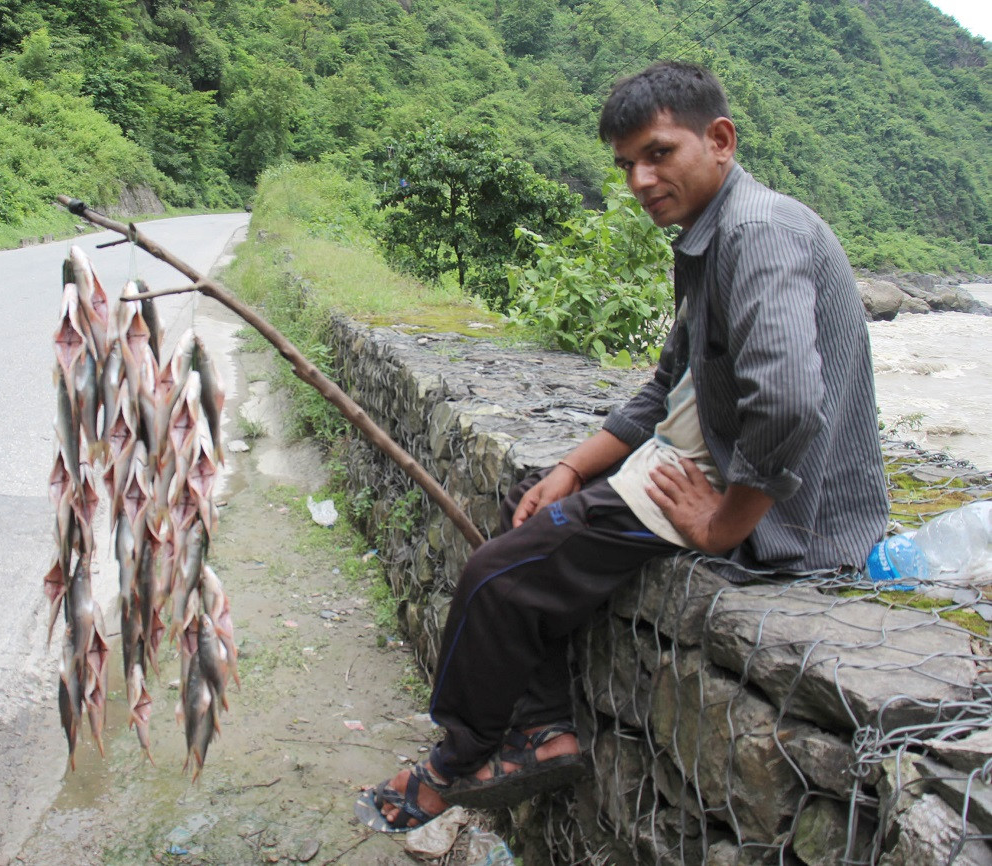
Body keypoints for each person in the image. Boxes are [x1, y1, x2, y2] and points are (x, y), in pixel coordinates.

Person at [354, 60, 889, 833]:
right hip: (703, 460)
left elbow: (788, 404)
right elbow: (663, 393)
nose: (640, 179)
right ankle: (542, 727)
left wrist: (726, 523)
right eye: (627, 164)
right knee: (528, 500)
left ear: (721, 140)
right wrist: (569, 468)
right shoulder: (710, 239)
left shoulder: (757, 234)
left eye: (659, 153)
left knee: (494, 574)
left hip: (782, 518)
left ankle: (455, 760)